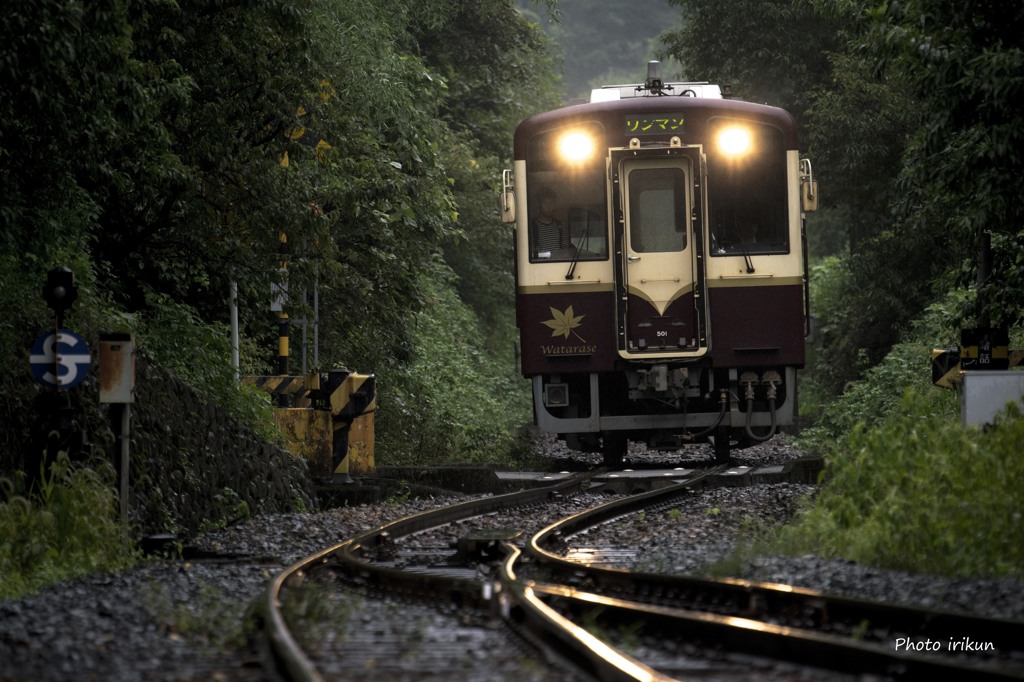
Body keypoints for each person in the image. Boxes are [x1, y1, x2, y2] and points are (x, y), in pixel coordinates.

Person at [532, 188, 567, 257]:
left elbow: (565, 250)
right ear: (539, 205)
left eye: (551, 203)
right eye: (545, 203)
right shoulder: (533, 227)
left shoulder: (560, 226)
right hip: (539, 266)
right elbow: (531, 252)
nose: (548, 207)